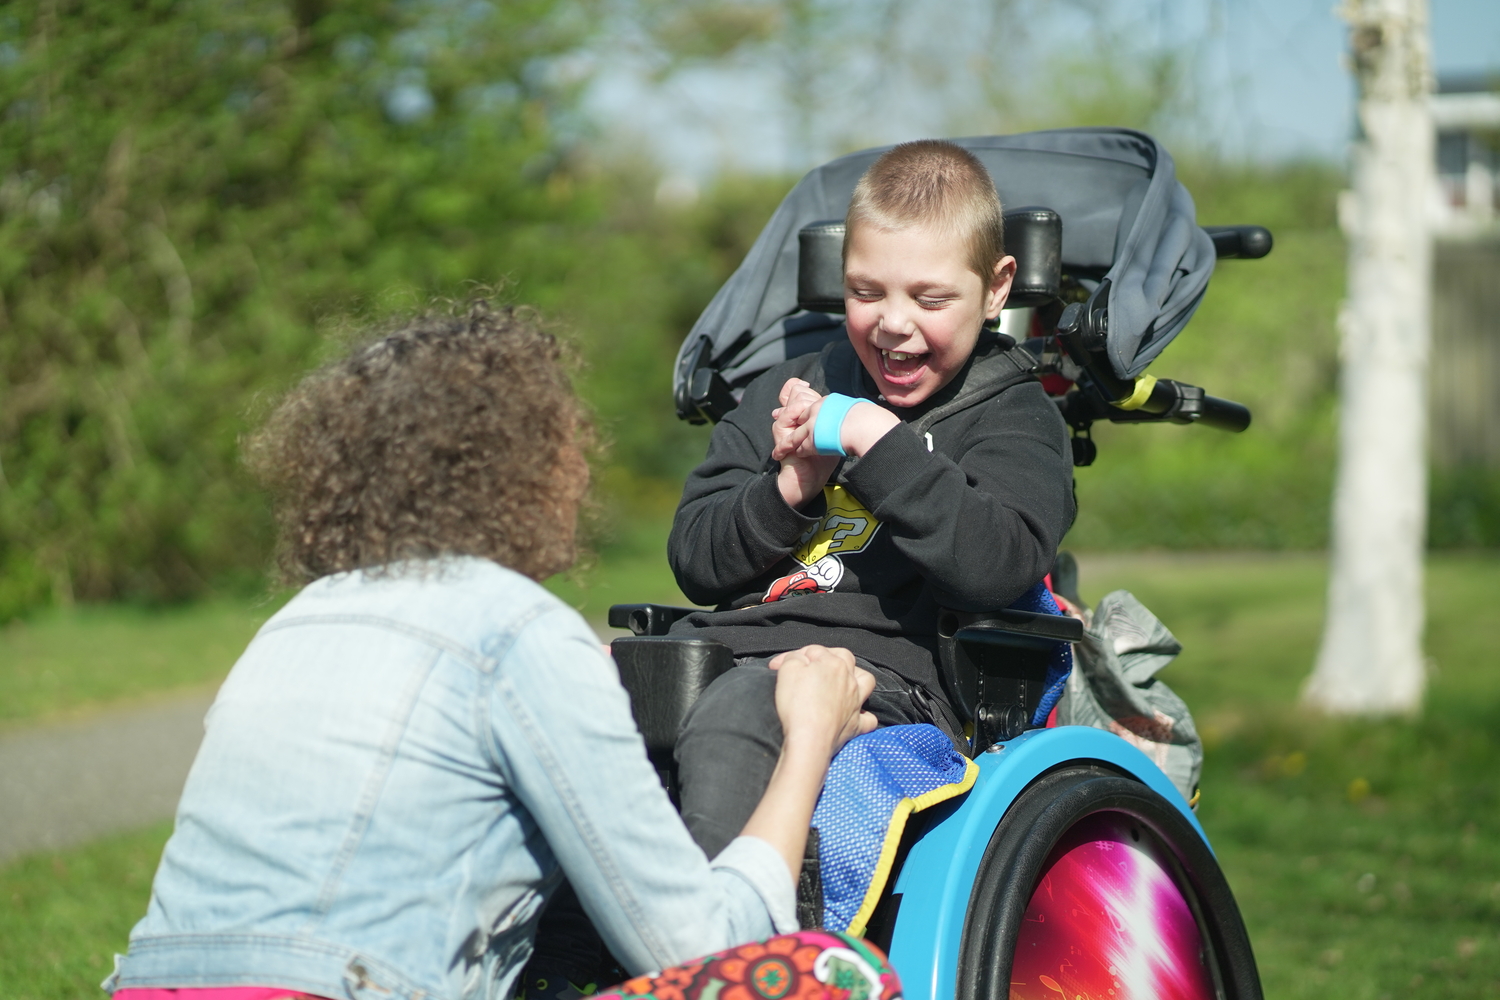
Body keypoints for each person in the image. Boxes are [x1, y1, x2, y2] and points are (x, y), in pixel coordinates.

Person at [102, 299, 880, 1000]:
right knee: (836, 977)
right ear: (532, 469)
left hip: (144, 986)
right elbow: (702, 950)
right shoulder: (516, 632)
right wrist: (808, 739)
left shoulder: (297, 620)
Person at [665, 140, 1077, 857]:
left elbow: (997, 566)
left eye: (930, 298)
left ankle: (721, 946)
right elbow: (695, 560)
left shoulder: (1014, 416)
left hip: (886, 680)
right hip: (722, 652)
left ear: (998, 286)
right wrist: (794, 484)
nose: (892, 323)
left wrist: (875, 441)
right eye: (866, 292)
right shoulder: (782, 389)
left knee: (743, 710)